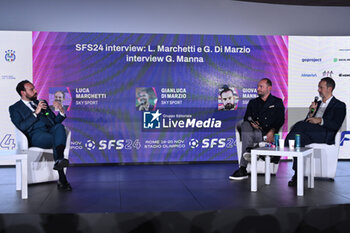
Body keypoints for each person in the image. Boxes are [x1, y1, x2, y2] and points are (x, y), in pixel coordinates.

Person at [9, 80, 72, 191]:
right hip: (35, 136)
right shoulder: (15, 108)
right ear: (23, 92)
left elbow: (54, 122)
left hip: (50, 131)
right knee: (56, 139)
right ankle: (62, 176)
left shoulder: (42, 103)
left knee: (60, 127)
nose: (36, 91)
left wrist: (61, 112)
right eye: (31, 89)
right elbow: (21, 126)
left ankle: (60, 162)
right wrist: (35, 113)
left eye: (35, 88)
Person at [286, 77, 346, 186]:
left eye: (321, 87)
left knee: (299, 126)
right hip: (310, 133)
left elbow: (336, 125)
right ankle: (297, 174)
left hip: (324, 134)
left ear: (329, 88)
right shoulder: (317, 103)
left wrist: (320, 120)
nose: (318, 90)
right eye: (318, 87)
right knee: (297, 139)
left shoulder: (339, 105)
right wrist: (311, 113)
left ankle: (277, 153)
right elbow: (307, 121)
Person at [229, 78, 285, 180]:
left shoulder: (277, 102)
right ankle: (245, 161)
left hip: (266, 133)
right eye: (258, 86)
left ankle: (244, 164)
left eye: (261, 87)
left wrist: (272, 131)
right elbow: (247, 117)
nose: (258, 89)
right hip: (253, 132)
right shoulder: (253, 102)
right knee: (245, 124)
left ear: (269, 88)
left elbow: (280, 120)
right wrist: (252, 123)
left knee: (247, 133)